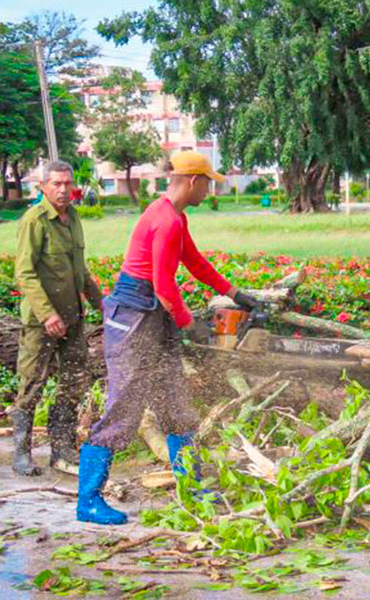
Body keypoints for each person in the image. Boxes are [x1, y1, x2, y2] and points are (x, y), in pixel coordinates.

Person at [76, 151, 260, 525]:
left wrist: (234, 293)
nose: (209, 191)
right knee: (124, 407)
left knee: (174, 401)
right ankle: (89, 500)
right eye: (208, 183)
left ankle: (189, 486)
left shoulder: (178, 217)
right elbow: (163, 286)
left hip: (154, 315)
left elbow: (194, 263)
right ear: (192, 181)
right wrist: (190, 323)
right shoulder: (164, 220)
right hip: (133, 317)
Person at [13, 161, 103, 477]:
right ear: (43, 187)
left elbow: (81, 271)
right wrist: (47, 314)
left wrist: (104, 305)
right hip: (42, 322)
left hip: (73, 318)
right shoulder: (35, 221)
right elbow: (23, 273)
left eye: (67, 183)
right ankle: (21, 454)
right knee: (32, 383)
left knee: (74, 382)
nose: (63, 190)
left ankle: (61, 448)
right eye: (56, 184)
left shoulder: (74, 218)